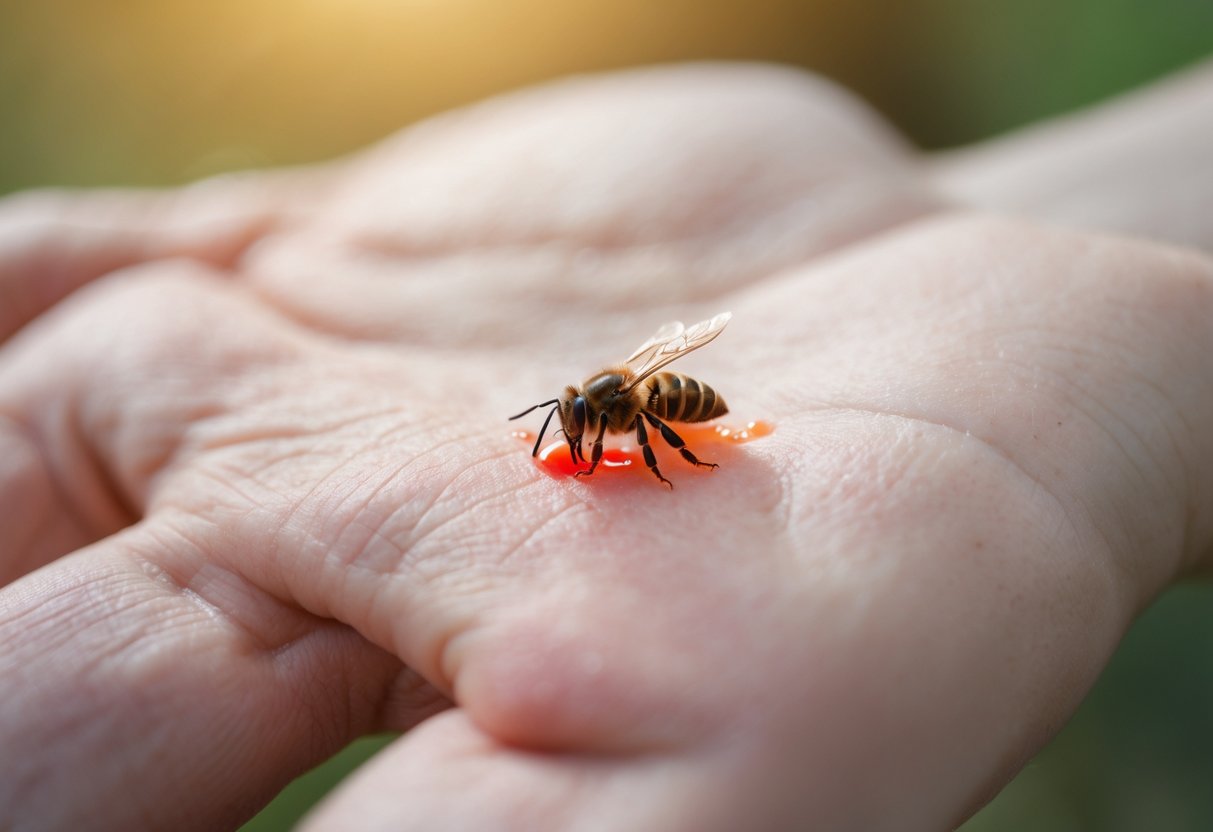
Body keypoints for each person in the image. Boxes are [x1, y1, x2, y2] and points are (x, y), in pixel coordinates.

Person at [1, 60, 1211, 831]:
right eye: (580, 428)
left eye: (582, 428)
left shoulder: (639, 411)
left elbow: (652, 423)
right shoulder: (585, 410)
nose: (577, 442)